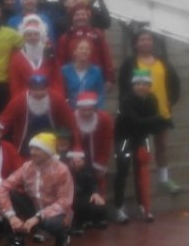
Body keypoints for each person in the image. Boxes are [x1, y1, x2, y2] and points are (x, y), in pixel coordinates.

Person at [117, 29, 181, 194]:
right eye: (142, 40)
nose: (146, 42)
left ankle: (164, 179)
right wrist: (128, 108)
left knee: (161, 147)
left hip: (161, 112)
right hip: (139, 115)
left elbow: (174, 83)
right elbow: (123, 88)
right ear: (136, 44)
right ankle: (141, 183)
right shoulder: (130, 63)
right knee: (140, 150)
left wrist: (171, 100)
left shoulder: (163, 62)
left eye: (149, 39)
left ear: (153, 43)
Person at [0, 133, 74, 246]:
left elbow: (64, 201)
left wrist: (38, 217)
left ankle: (62, 237)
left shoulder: (61, 170)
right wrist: (12, 217)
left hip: (57, 213)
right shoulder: (27, 167)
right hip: (34, 208)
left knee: (51, 223)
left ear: (48, 151)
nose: (32, 152)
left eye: (37, 149)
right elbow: (2, 189)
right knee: (12, 196)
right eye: (31, 148)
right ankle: (17, 241)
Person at [112, 70, 169, 223]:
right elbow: (134, 120)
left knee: (141, 171)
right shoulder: (126, 100)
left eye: (144, 84)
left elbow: (152, 123)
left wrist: (155, 121)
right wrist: (156, 119)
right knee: (122, 171)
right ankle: (119, 207)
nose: (141, 87)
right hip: (124, 138)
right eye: (137, 84)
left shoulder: (152, 99)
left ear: (149, 86)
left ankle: (143, 205)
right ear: (133, 85)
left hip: (141, 137)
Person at [0, 74, 78, 156]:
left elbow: (71, 124)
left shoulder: (57, 99)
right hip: (24, 147)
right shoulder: (19, 100)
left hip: (51, 146)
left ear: (47, 88)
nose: (39, 93)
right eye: (35, 89)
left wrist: (77, 148)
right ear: (29, 89)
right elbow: (4, 122)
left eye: (42, 89)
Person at [55, 130, 107, 231]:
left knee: (99, 207)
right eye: (60, 140)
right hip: (59, 197)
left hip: (79, 194)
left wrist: (95, 192)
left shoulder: (79, 159)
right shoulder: (51, 159)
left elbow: (91, 179)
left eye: (65, 140)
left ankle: (85, 221)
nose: (62, 143)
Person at [56, 4, 114, 87]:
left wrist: (109, 78)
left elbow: (105, 56)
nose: (80, 17)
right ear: (72, 18)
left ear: (88, 17)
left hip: (94, 80)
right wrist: (60, 80)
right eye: (77, 15)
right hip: (72, 82)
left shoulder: (97, 34)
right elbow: (60, 61)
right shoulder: (66, 37)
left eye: (83, 14)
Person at [8, 15, 63, 98]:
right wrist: (20, 99)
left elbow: (56, 77)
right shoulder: (17, 57)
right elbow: (15, 83)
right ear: (24, 37)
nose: (33, 37)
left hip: (49, 95)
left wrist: (57, 95)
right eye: (29, 35)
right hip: (25, 96)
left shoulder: (49, 53)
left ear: (40, 35)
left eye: (36, 34)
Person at [74, 92, 113, 195]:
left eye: (90, 109)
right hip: (78, 159)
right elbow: (72, 139)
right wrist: (77, 156)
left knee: (98, 183)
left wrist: (101, 162)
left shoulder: (104, 119)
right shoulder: (72, 118)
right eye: (83, 110)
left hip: (96, 156)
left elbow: (107, 141)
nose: (86, 113)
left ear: (95, 108)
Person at [61, 38, 106, 109]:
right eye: (81, 48)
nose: (84, 51)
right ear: (74, 52)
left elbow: (100, 94)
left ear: (90, 52)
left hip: (90, 111)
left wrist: (98, 112)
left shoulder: (97, 71)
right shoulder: (65, 70)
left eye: (87, 49)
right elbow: (62, 93)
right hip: (70, 110)